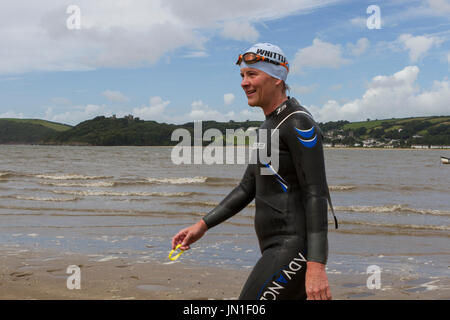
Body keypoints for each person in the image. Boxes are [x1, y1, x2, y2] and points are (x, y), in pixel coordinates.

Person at [171, 43, 337, 300]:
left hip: (293, 247)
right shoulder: (269, 126)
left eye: (252, 74)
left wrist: (316, 265)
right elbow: (247, 187)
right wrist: (202, 225)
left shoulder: (298, 122)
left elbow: (316, 195)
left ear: (278, 78)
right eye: (242, 76)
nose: (244, 83)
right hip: (274, 246)